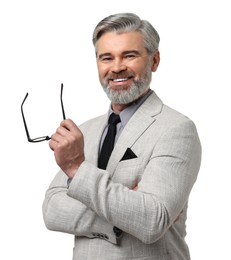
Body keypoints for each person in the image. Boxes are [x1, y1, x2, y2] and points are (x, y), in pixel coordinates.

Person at [42, 12, 201, 260]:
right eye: (107, 57)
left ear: (154, 60)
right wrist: (121, 216)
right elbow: (51, 210)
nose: (117, 67)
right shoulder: (85, 130)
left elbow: (151, 221)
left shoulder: (177, 129)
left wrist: (76, 169)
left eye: (130, 55)